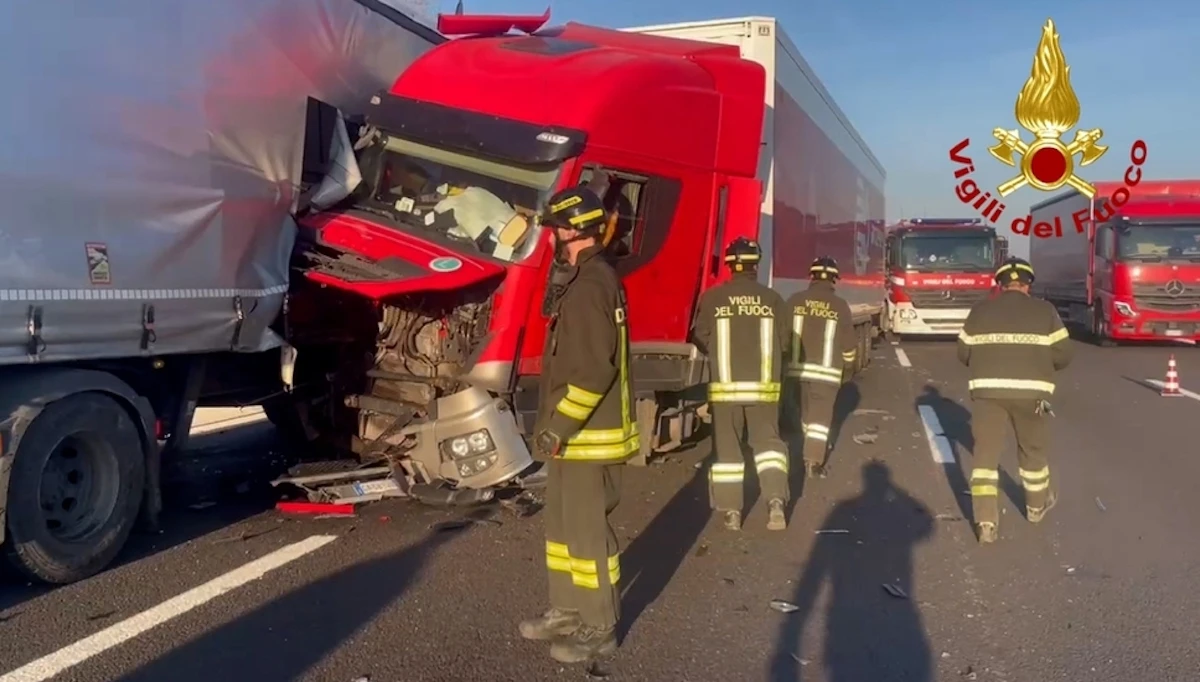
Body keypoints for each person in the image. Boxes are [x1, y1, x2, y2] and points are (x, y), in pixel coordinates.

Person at [519, 186, 638, 663]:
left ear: (570, 229)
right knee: (562, 528)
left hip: (588, 434)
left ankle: (598, 624)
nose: (551, 237)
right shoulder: (583, 278)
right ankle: (567, 609)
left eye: (554, 229)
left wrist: (559, 428)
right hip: (574, 436)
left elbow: (594, 370)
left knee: (587, 535)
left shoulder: (591, 286)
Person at [957, 256, 1072, 544]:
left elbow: (964, 353)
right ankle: (1035, 506)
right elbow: (1063, 354)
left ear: (1000, 284)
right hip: (1036, 396)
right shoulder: (1046, 311)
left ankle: (985, 521)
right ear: (1028, 284)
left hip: (987, 394)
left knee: (985, 457)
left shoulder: (980, 310)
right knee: (1034, 449)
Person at [691, 237, 791, 531]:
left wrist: (721, 355)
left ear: (730, 265)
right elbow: (784, 343)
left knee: (729, 450)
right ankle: (775, 504)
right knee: (769, 446)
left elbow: (700, 336)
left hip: (725, 390)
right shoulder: (772, 299)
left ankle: (732, 511)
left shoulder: (713, 298)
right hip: (764, 390)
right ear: (756, 265)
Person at [785, 257, 857, 480]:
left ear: (811, 276)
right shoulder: (840, 306)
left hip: (796, 372)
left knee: (806, 417)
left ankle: (801, 453)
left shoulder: (795, 301)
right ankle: (813, 461)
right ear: (834, 279)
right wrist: (848, 369)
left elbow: (782, 335)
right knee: (820, 420)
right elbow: (849, 346)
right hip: (826, 375)